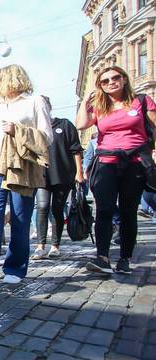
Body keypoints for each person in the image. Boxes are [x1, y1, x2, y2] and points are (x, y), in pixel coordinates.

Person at [0, 64, 53, 288]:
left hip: (22, 162)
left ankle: (15, 267)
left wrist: (17, 130)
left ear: (10, 79)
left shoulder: (35, 101)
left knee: (19, 216)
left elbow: (47, 137)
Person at [75, 65, 155, 274]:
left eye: (115, 78)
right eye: (105, 81)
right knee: (104, 210)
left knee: (129, 211)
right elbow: (81, 124)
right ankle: (102, 257)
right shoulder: (100, 106)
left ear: (124, 79)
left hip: (135, 161)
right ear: (100, 86)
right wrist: (85, 102)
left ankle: (125, 258)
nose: (111, 82)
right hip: (106, 163)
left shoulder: (142, 101)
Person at [32, 97, 84, 259]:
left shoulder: (65, 124)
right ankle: (40, 246)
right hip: (41, 174)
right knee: (42, 207)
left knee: (57, 209)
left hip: (63, 174)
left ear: (49, 107)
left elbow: (76, 149)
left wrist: (79, 172)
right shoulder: (34, 128)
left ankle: (55, 245)